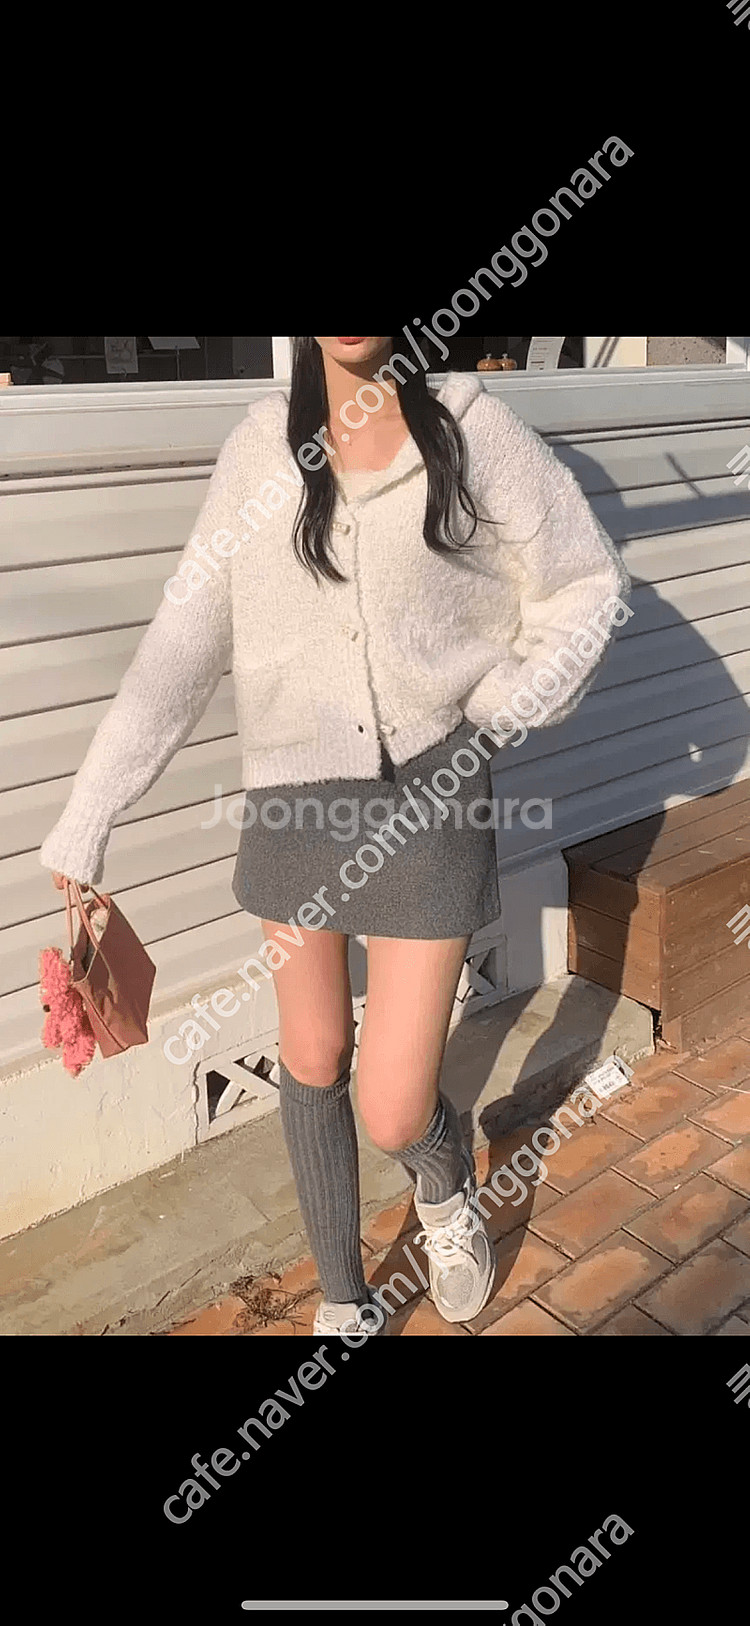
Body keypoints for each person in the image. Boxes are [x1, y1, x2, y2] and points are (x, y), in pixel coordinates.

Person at [41, 335, 630, 1337]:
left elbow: (587, 585)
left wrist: (498, 705)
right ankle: (344, 1299)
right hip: (294, 805)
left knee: (393, 1104)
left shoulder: (473, 430)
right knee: (312, 1056)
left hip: (433, 798)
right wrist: (91, 810)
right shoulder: (257, 453)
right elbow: (183, 640)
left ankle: (443, 1183)